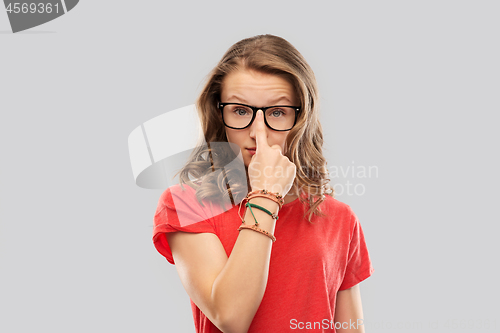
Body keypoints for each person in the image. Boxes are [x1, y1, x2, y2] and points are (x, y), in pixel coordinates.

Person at [152, 34, 374, 333]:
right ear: (219, 114)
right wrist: (266, 195)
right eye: (241, 111)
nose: (258, 132)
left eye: (278, 112)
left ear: (302, 119)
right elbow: (230, 317)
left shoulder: (339, 217)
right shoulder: (186, 204)